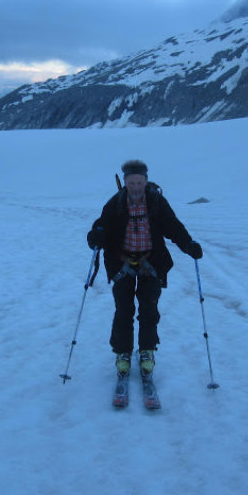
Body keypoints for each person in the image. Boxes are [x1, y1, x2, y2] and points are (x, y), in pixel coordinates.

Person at [87, 159, 203, 377]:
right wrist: (95, 235)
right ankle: (122, 352)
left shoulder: (157, 202)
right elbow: (102, 225)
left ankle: (147, 351)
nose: (136, 187)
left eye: (139, 182)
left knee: (149, 310)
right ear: (125, 182)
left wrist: (188, 245)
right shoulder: (116, 203)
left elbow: (173, 227)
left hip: (151, 264)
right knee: (124, 310)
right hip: (121, 264)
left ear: (146, 181)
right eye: (131, 183)